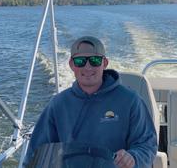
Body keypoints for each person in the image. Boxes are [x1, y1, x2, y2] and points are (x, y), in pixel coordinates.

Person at [24, 36, 157, 168]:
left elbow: (147, 144)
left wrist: (133, 158)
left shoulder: (130, 101)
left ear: (104, 63)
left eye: (94, 60)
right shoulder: (58, 104)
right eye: (80, 61)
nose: (88, 67)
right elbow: (36, 151)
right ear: (72, 64)